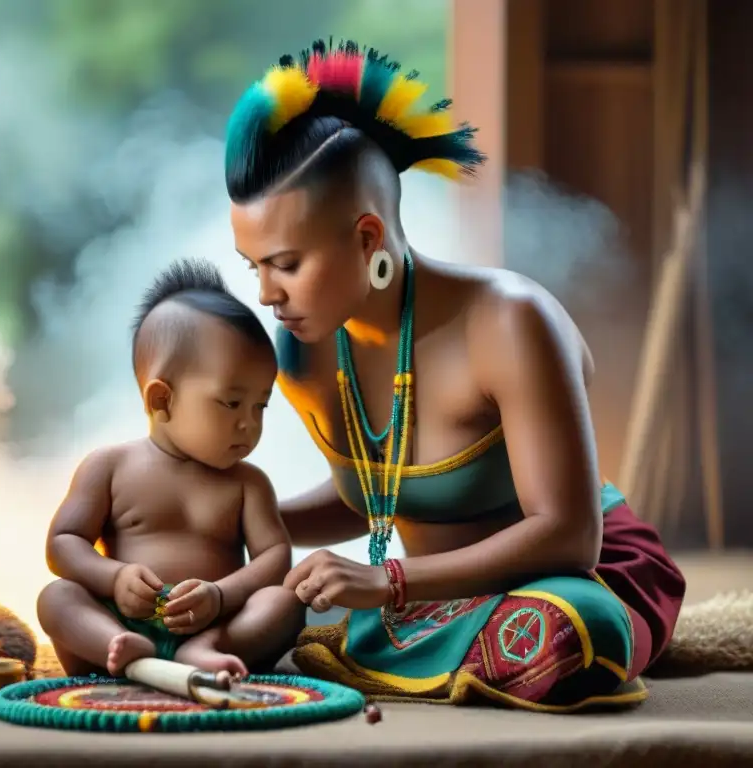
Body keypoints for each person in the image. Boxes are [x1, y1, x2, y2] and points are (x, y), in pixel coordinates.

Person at [223, 39, 687, 710]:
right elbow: (377, 489)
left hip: (573, 577)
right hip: (427, 591)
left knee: (562, 633)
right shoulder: (305, 350)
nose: (267, 294)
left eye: (286, 264)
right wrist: (242, 520)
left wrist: (388, 583)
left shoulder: (510, 323)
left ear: (367, 239)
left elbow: (569, 533)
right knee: (276, 605)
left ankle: (408, 636)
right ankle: (417, 631)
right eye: (253, 266)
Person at [37, 259, 304, 680]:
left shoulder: (248, 484)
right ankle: (117, 647)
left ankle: (205, 650)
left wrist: (219, 596)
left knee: (285, 604)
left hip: (216, 623)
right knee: (56, 597)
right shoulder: (109, 466)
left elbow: (274, 558)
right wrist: (114, 578)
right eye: (232, 403)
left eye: (260, 405)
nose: (249, 424)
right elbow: (63, 544)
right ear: (162, 400)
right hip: (123, 617)